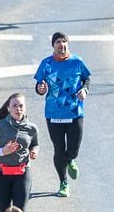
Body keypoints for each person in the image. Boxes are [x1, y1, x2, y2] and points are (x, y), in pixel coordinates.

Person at [34, 32, 92, 197]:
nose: (62, 45)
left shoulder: (77, 62)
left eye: (64, 41)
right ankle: (63, 182)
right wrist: (40, 88)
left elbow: (87, 78)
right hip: (54, 114)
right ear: (53, 45)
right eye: (58, 42)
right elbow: (39, 85)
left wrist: (84, 89)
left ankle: (71, 159)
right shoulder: (46, 64)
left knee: (73, 148)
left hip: (75, 112)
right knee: (59, 150)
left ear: (68, 44)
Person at [0, 94, 38, 212]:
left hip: (22, 172)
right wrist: (3, 151)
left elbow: (35, 144)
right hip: (1, 173)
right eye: (14, 106)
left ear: (25, 108)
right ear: (8, 108)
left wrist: (34, 151)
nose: (18, 109)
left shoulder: (31, 128)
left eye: (21, 106)